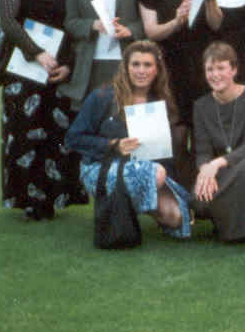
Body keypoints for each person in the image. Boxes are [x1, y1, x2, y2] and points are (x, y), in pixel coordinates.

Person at [0, 0, 89, 221]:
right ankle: (28, 199)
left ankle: (55, 196)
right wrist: (36, 52)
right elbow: (8, 21)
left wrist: (69, 66)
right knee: (24, 135)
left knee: (58, 136)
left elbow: (79, 27)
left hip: (59, 73)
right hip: (24, 72)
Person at [66, 41, 193, 239]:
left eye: (147, 65)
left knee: (175, 218)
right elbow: (73, 138)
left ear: (157, 69)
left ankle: (123, 208)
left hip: (147, 168)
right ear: (125, 67)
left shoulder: (162, 100)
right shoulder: (103, 96)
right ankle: (117, 211)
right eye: (135, 64)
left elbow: (164, 153)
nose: (141, 71)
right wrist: (113, 145)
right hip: (102, 167)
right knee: (156, 174)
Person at [137, 0, 223, 134]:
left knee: (203, 134)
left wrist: (212, 2)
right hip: (168, 65)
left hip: (202, 63)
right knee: (175, 134)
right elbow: (151, 31)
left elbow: (217, 24)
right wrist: (176, 22)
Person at [191, 42, 245, 247]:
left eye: (221, 68)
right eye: (209, 69)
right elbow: (202, 150)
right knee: (200, 199)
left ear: (234, 69)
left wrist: (217, 163)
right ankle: (236, 222)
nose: (215, 74)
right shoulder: (201, 106)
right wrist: (205, 169)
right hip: (221, 175)